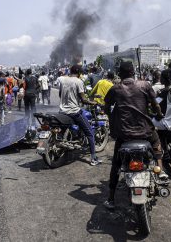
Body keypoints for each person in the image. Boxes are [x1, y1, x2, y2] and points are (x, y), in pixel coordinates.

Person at [103, 61, 165, 209]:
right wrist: (159, 114)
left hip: (124, 134)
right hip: (145, 131)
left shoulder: (115, 88)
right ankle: (161, 171)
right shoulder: (145, 85)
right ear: (133, 72)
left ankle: (111, 198)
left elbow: (106, 107)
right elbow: (155, 104)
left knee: (116, 165)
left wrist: (113, 115)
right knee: (156, 143)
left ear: (120, 73)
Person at [59, 64, 101, 166]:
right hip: (74, 111)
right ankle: (93, 158)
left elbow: (60, 94)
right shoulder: (79, 81)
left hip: (62, 111)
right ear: (79, 73)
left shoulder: (63, 80)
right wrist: (94, 102)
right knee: (90, 133)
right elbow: (83, 99)